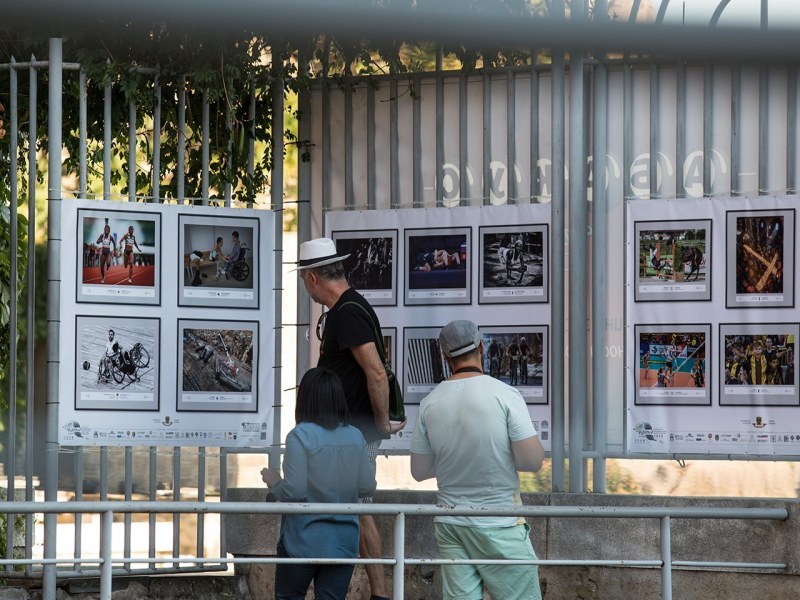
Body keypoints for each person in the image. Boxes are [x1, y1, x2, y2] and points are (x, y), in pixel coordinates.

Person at [297, 237, 406, 600]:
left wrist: (380, 425)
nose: (304, 287)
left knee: (358, 510)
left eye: (302, 279)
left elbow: (375, 372)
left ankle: (380, 594)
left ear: (313, 279)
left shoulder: (348, 312)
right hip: (345, 432)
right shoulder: (348, 309)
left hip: (353, 433)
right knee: (350, 509)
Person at [410, 319, 545, 600]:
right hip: (499, 523)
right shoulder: (505, 394)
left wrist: (455, 459)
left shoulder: (429, 403)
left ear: (446, 358)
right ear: (481, 347)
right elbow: (532, 461)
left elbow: (419, 470)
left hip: (451, 524)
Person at [261, 368, 377, 600]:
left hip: (301, 542)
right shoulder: (356, 436)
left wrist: (275, 483)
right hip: (343, 543)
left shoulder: (300, 436)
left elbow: (294, 490)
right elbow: (367, 487)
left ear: (305, 399)